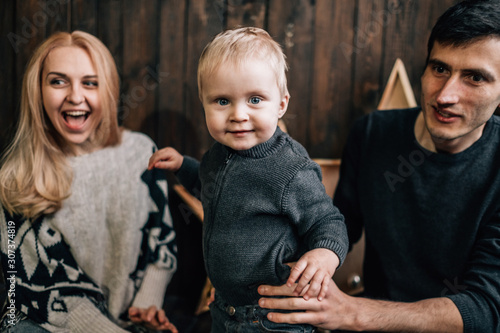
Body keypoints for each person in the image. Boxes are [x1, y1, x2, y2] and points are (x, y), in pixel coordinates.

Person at [257, 0, 500, 331]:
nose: (445, 95)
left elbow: (485, 309)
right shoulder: (373, 133)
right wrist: (248, 274)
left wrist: (354, 313)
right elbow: (335, 227)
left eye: (474, 77)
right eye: (439, 69)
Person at [148, 27, 348, 332]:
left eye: (255, 99)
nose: (238, 114)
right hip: (224, 307)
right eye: (222, 101)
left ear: (281, 104)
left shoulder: (290, 168)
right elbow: (211, 188)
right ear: (203, 103)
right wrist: (182, 166)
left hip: (272, 316)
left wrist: (325, 255)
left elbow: (328, 221)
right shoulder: (219, 153)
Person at [0, 31, 178, 333]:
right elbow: (40, 289)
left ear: (107, 89)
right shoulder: (16, 178)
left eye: (90, 82)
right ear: (38, 91)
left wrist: (147, 308)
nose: (75, 96)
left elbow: (161, 240)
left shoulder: (141, 153)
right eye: (58, 81)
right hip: (43, 323)